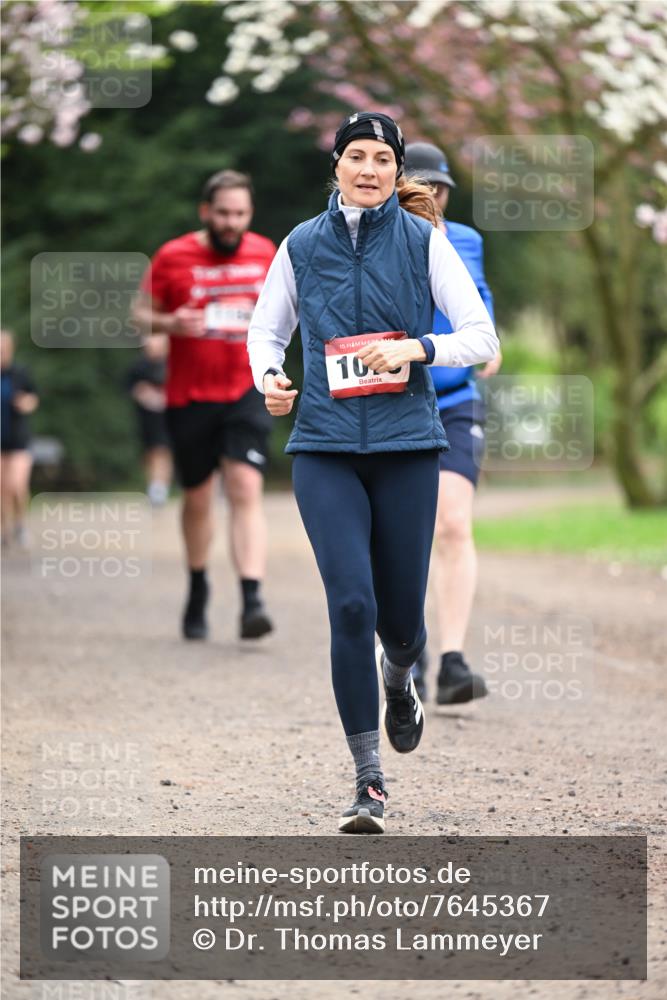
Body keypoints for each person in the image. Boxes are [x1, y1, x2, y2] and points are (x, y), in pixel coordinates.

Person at [247, 112, 499, 834]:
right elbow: (267, 329)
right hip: (323, 445)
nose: (367, 168)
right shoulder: (301, 243)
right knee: (350, 608)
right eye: (355, 156)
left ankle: (402, 675)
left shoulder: (425, 242)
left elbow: (478, 335)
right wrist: (269, 374)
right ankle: (368, 782)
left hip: (406, 449)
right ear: (337, 166)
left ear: (396, 172)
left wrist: (416, 349)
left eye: (381, 158)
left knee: (399, 621)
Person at [133, 170, 277, 640]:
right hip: (189, 395)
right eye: (223, 214)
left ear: (250, 214)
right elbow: (139, 315)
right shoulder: (173, 255)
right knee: (197, 498)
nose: (231, 223)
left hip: (246, 388)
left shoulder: (266, 252)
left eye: (240, 214)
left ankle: (252, 597)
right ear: (205, 213)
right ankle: (197, 587)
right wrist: (170, 322)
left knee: (244, 486)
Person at [405, 142, 503, 706]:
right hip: (397, 402)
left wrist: (492, 341)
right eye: (424, 185)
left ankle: (453, 661)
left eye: (440, 188)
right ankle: (408, 649)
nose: (434, 197)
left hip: (456, 398)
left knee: (454, 525)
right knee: (406, 532)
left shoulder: (467, 241)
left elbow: (481, 304)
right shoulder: (380, 240)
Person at [1, 330, 39, 549]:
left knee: (17, 486)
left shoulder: (20, 373)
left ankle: (21, 525)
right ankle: (4, 530)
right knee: (1, 488)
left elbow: (33, 397)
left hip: (18, 440)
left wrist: (27, 403)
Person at [126, 335, 173, 507]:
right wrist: (142, 393)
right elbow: (130, 387)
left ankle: (160, 489)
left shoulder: (173, 363)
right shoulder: (139, 366)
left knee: (163, 451)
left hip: (170, 417)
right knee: (151, 452)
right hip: (147, 418)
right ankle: (154, 485)